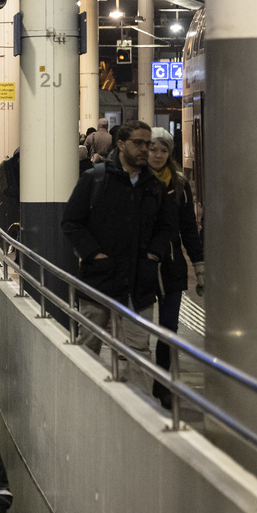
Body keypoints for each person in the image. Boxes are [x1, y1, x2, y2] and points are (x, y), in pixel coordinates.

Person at [61, 119, 176, 363]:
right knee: (87, 348)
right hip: (99, 280)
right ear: (121, 144)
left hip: (140, 285)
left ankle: (139, 400)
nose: (145, 149)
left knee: (139, 354)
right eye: (138, 143)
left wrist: (153, 255)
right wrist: (93, 254)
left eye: (148, 143)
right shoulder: (95, 180)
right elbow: (71, 222)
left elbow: (166, 227)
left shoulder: (154, 187)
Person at [146, 127, 204, 408]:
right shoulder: (135, 180)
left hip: (171, 266)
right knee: (138, 327)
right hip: (142, 267)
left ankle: (163, 383)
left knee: (168, 328)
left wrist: (199, 265)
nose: (158, 155)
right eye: (153, 148)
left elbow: (189, 229)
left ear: (170, 153)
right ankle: (143, 380)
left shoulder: (179, 184)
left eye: (163, 150)